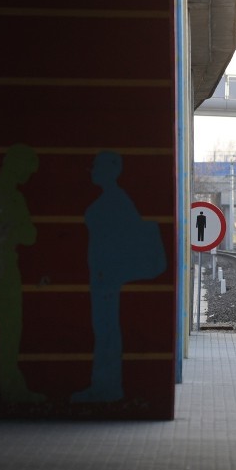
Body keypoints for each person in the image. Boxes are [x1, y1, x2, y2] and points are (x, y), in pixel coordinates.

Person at [72, 151, 165, 402]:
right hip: (104, 276)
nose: (91, 170)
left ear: (107, 170)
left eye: (95, 166)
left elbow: (122, 240)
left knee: (106, 332)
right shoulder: (117, 199)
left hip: (106, 277)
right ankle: (105, 385)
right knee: (105, 331)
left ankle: (106, 387)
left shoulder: (114, 201)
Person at [0, 143, 44, 403]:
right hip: (4, 272)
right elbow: (29, 235)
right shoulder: (13, 197)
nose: (28, 177)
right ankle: (9, 388)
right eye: (27, 171)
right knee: (9, 333)